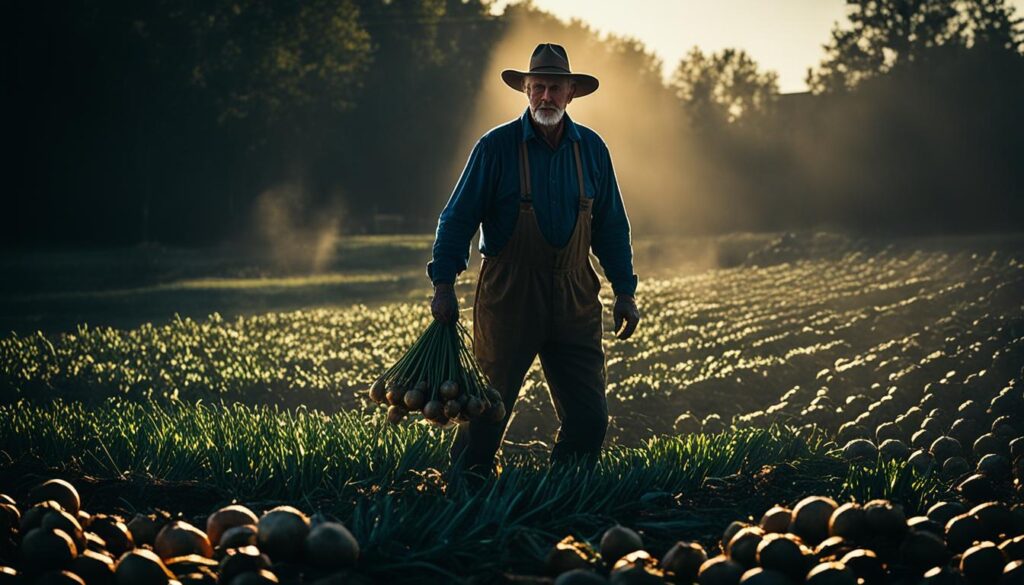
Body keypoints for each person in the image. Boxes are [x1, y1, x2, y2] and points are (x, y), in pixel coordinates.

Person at [427, 43, 641, 476]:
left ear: (570, 93)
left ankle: (561, 496)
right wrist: (443, 284)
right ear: (525, 90)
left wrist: (625, 291)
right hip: (510, 297)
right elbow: (457, 219)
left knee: (589, 418)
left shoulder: (593, 151)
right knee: (486, 412)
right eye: (537, 87)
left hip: (575, 298)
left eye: (554, 88)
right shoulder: (496, 148)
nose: (546, 96)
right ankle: (468, 492)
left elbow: (612, 228)